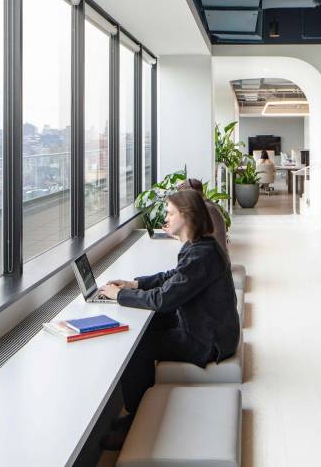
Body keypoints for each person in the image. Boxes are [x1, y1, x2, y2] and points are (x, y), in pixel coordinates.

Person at [99, 190, 240, 449]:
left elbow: (164, 300)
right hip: (206, 327)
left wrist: (120, 295)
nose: (166, 217)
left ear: (186, 217)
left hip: (209, 341)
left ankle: (136, 418)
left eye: (170, 213)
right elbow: (172, 277)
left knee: (137, 348)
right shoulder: (199, 247)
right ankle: (140, 412)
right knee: (150, 326)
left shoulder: (201, 254)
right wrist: (134, 283)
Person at [179, 177, 228, 255]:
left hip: (214, 262)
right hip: (217, 258)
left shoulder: (204, 208)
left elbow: (191, 238)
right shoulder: (209, 205)